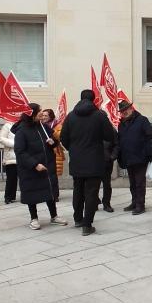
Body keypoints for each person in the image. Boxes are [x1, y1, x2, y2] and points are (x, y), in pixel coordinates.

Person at [60, 89, 117, 236]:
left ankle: (78, 219)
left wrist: (73, 150)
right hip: (95, 160)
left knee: (78, 191)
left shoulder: (71, 116)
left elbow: (63, 138)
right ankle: (87, 225)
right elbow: (110, 136)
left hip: (77, 160)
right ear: (94, 99)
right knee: (92, 193)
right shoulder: (99, 116)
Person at [15, 103, 69, 229]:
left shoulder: (43, 127)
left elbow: (55, 142)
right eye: (39, 111)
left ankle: (54, 216)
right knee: (32, 193)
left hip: (47, 165)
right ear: (32, 113)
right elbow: (20, 151)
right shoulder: (22, 131)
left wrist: (53, 142)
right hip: (31, 169)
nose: (41, 113)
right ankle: (33, 218)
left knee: (50, 192)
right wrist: (34, 164)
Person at [117, 100, 152, 215]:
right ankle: (134, 202)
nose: (124, 112)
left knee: (139, 183)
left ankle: (140, 205)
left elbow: (150, 137)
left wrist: (148, 154)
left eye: (126, 110)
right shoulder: (121, 123)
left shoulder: (142, 120)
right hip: (128, 158)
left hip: (140, 157)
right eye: (122, 111)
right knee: (132, 183)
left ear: (131, 108)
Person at [40, 108, 65, 200]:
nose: (44, 117)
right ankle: (45, 193)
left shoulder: (57, 125)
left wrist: (52, 132)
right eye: (43, 115)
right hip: (44, 152)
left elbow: (60, 136)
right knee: (44, 174)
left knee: (53, 176)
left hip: (55, 152)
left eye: (46, 115)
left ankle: (55, 195)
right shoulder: (40, 126)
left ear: (51, 116)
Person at [0, 119, 18, 205]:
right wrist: (16, 144)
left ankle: (22, 196)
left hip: (23, 156)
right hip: (11, 157)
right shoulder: (7, 125)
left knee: (24, 178)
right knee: (11, 178)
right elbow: (1, 138)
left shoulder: (25, 125)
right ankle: (8, 197)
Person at [99, 136, 119, 212]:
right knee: (93, 185)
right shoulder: (91, 127)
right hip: (93, 161)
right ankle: (94, 202)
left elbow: (116, 145)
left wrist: (113, 156)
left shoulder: (110, 130)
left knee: (106, 184)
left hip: (107, 161)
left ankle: (106, 204)